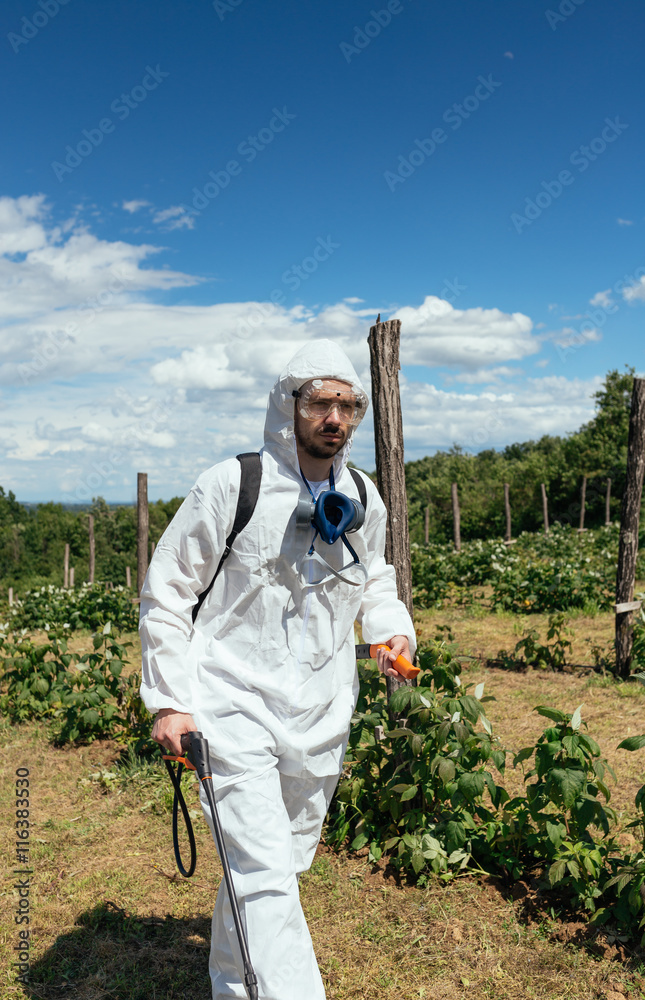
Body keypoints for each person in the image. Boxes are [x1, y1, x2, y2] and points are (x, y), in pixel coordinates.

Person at [140, 339, 416, 999]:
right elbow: (169, 590)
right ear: (286, 407)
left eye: (348, 406)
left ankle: (237, 988)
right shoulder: (234, 484)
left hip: (321, 706)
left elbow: (372, 575)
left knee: (277, 864)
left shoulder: (361, 496)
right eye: (320, 402)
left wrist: (388, 629)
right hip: (230, 698)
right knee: (261, 871)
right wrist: (170, 700)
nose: (335, 417)